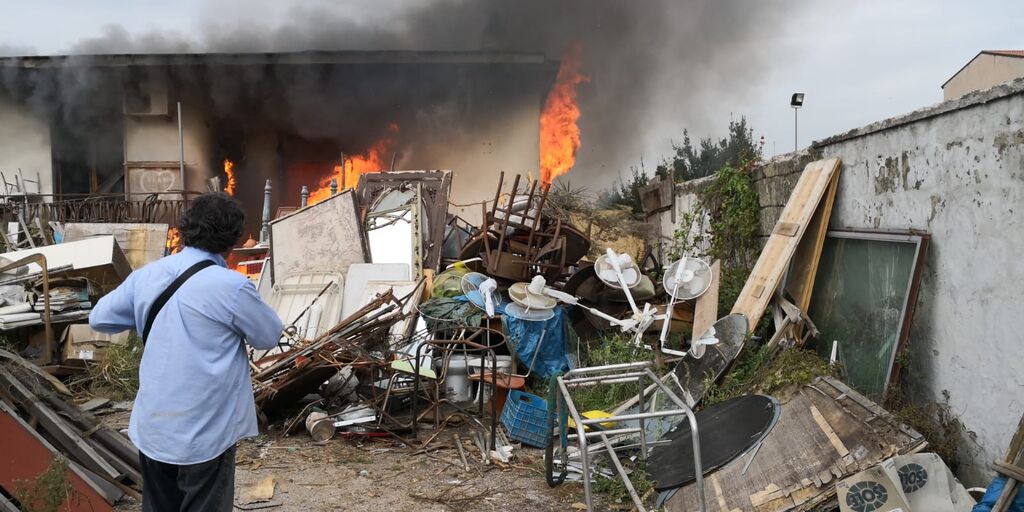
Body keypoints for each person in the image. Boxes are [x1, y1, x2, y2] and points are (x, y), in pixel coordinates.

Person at [90, 193, 283, 512]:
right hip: (207, 434)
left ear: (187, 229)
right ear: (234, 239)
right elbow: (268, 335)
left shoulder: (147, 276)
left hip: (154, 428)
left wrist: (141, 314)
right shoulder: (231, 287)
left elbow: (101, 318)